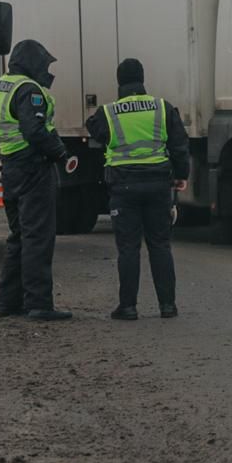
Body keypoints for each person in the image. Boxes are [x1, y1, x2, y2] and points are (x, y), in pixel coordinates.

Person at [86, 58, 190, 321]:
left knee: (128, 248)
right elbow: (179, 144)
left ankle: (128, 307)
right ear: (143, 79)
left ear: (119, 81)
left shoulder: (108, 112)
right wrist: (181, 175)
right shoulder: (162, 108)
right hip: (158, 185)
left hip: (123, 187)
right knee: (160, 245)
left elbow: (95, 132)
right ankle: (168, 306)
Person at [0, 40, 73, 321]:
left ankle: (8, 303)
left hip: (11, 166)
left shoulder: (0, 86)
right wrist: (60, 153)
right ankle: (39, 304)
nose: (46, 71)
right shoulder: (29, 90)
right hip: (33, 168)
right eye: (44, 65)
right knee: (38, 237)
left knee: (19, 237)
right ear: (32, 63)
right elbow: (35, 130)